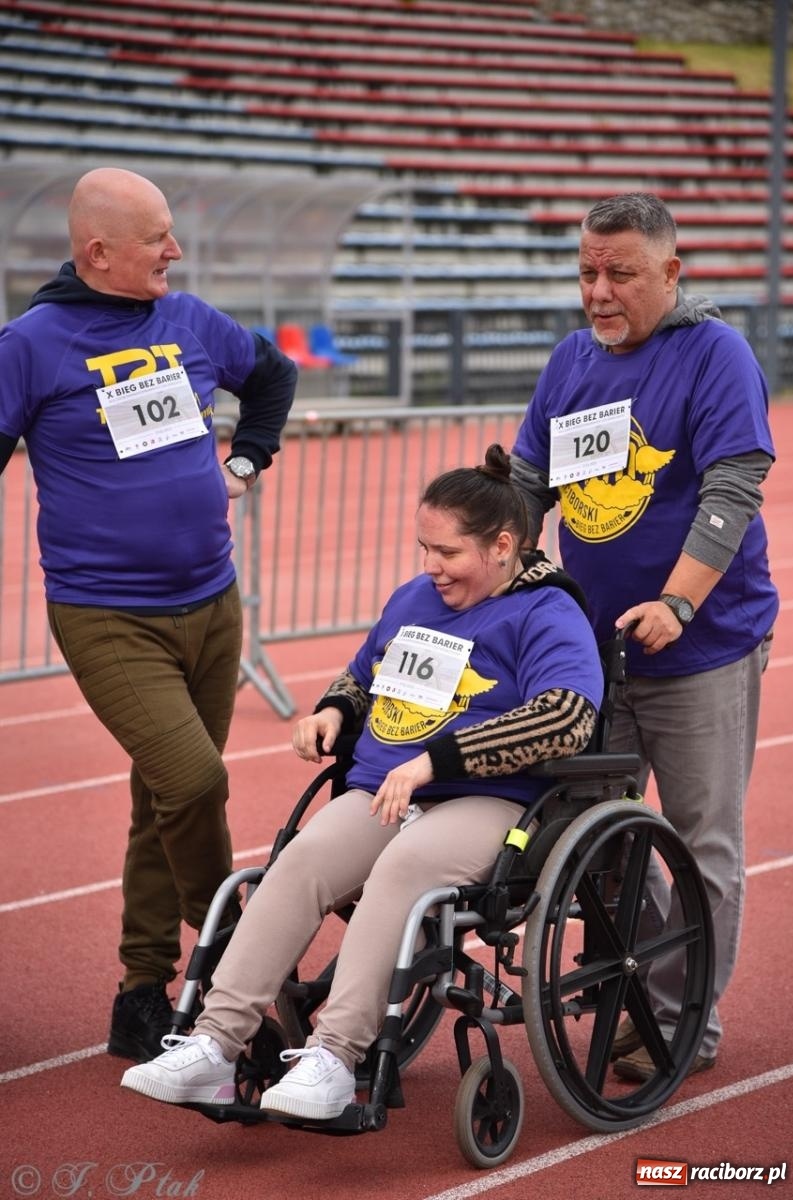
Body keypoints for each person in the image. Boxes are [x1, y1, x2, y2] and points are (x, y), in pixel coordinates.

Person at [120, 444, 604, 1119]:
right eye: (423, 548)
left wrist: (438, 759)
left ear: (501, 545)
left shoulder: (547, 613)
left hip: (493, 801)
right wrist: (332, 708)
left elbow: (566, 718)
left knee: (404, 865)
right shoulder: (415, 597)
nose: (430, 567)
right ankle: (212, 1044)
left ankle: (333, 1056)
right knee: (303, 859)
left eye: (447, 553)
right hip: (387, 790)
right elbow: (367, 672)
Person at [0, 167, 297, 1063]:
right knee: (196, 781)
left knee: (162, 795)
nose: (176, 250)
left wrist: (244, 464)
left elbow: (273, 377)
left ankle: (141, 992)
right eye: (157, 237)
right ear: (98, 252)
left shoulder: (192, 318)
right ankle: (240, 965)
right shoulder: (30, 344)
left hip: (213, 601)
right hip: (106, 615)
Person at [510, 191, 778, 1082]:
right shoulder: (568, 362)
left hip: (698, 645)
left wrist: (678, 603)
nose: (597, 291)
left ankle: (681, 1025)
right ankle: (642, 994)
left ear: (670, 271)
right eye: (586, 271)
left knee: (701, 842)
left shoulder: (714, 355)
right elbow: (527, 482)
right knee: (610, 839)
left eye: (619, 272)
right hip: (592, 651)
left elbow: (732, 491)